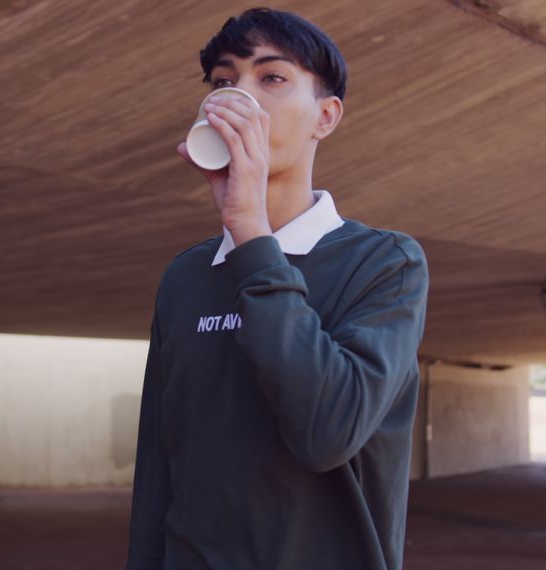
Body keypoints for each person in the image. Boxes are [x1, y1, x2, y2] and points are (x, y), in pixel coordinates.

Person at [125, 7, 429, 570]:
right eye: (223, 80)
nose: (239, 97)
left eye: (271, 77)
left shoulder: (385, 263)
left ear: (326, 116)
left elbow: (326, 433)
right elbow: (156, 473)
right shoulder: (185, 277)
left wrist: (249, 230)